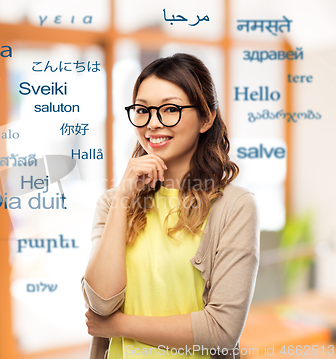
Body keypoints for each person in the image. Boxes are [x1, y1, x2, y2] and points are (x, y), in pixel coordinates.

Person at [81, 53, 260, 359]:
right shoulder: (113, 202)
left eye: (170, 109)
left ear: (207, 118)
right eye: (143, 110)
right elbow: (101, 303)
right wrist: (124, 197)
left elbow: (221, 332)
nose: (153, 123)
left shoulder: (234, 206)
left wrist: (118, 325)